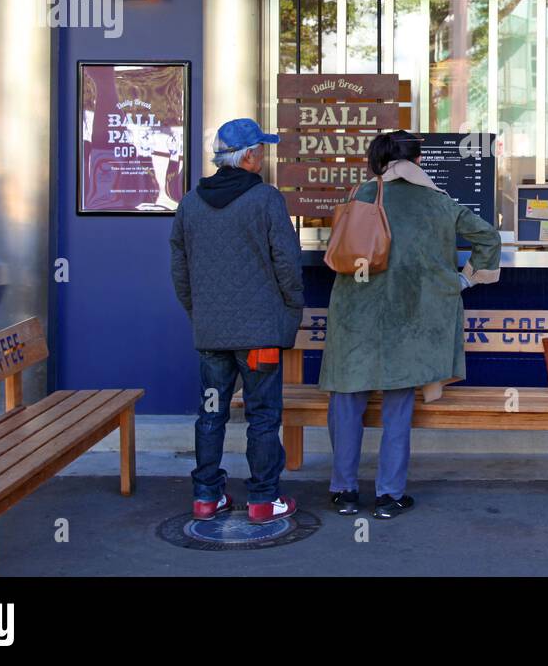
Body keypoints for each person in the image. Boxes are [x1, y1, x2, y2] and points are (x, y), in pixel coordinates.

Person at [320, 130, 501, 519]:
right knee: (398, 406)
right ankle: (389, 496)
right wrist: (468, 277)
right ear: (418, 161)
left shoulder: (359, 196)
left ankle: (345, 492)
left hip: (354, 315)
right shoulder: (439, 203)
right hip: (412, 319)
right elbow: (487, 236)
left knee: (347, 400)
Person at [169, 118, 304, 523]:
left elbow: (180, 270)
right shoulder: (267, 199)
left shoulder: (190, 203)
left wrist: (200, 314)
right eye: (260, 150)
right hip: (261, 333)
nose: (264, 157)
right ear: (247, 156)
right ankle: (263, 499)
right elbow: (288, 264)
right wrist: (291, 312)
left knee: (211, 413)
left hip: (212, 334)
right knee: (263, 415)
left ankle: (207, 498)